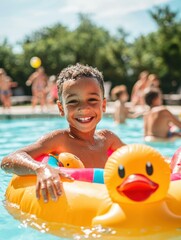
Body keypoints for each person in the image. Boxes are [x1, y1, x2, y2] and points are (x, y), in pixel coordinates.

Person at [1, 63, 125, 203]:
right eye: (73, 101)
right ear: (61, 108)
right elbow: (9, 160)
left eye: (92, 99)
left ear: (103, 105)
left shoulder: (108, 139)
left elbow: (136, 158)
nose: (83, 108)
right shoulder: (60, 140)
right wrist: (41, 168)